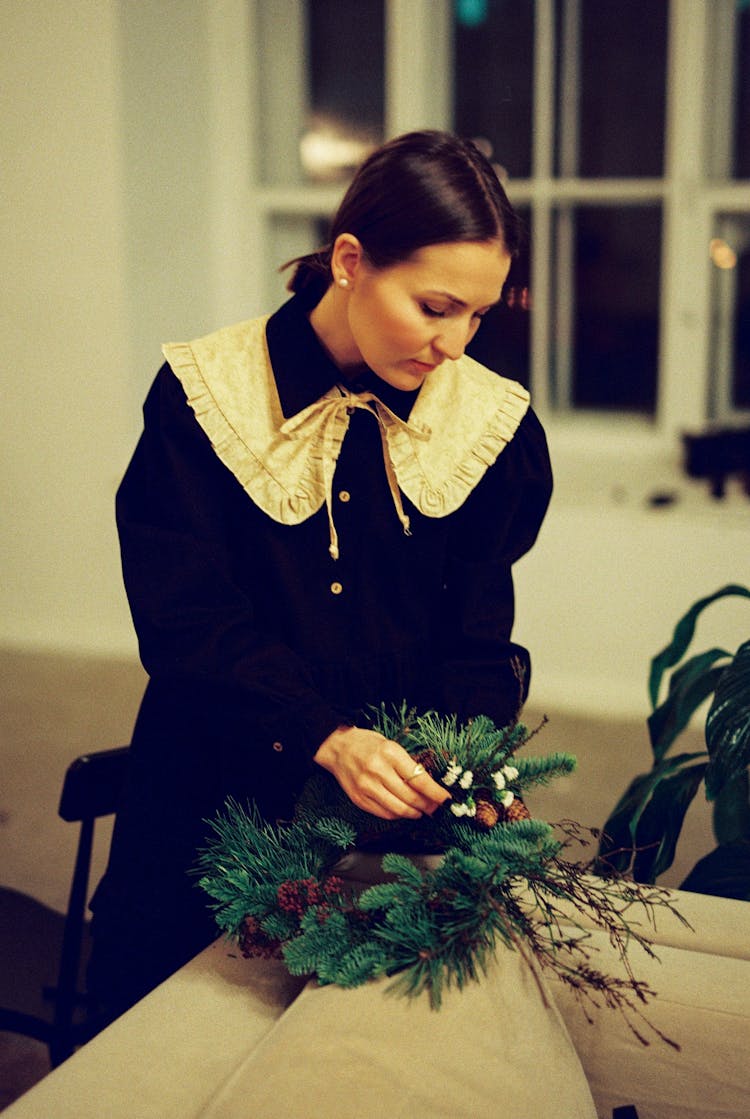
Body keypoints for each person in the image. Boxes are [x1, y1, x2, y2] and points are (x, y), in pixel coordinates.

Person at [87, 130, 553, 1023]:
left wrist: (462, 769)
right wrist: (324, 736)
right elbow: (186, 618)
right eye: (435, 306)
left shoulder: (491, 425)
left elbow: (476, 633)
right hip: (214, 772)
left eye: (480, 316)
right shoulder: (206, 393)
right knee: (161, 1037)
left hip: (396, 807)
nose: (456, 344)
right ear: (349, 260)